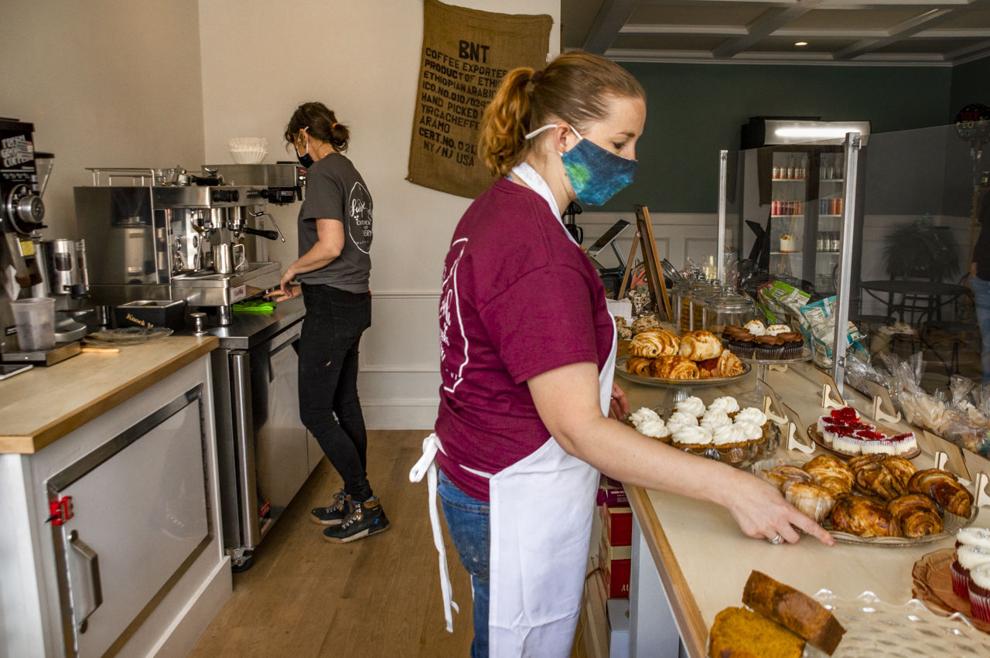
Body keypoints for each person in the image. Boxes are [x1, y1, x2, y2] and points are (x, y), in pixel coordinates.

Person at [409, 52, 833, 658]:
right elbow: (578, 432)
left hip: (474, 465)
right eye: (621, 141)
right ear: (562, 137)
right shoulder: (538, 251)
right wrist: (733, 489)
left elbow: (503, 343)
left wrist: (584, 381)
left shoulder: (503, 208)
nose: (632, 159)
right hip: (512, 491)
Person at [271, 101, 387, 543]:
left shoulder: (321, 172)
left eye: (294, 142)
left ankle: (366, 503)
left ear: (303, 135)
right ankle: (353, 496)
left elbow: (332, 244)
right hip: (353, 299)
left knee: (316, 411)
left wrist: (294, 269)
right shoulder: (349, 171)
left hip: (334, 306)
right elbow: (350, 251)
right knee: (345, 403)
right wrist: (308, 283)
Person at [970, 183, 990, 383]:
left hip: (982, 276)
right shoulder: (988, 197)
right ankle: (987, 397)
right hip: (983, 278)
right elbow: (985, 233)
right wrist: (975, 263)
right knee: (988, 343)